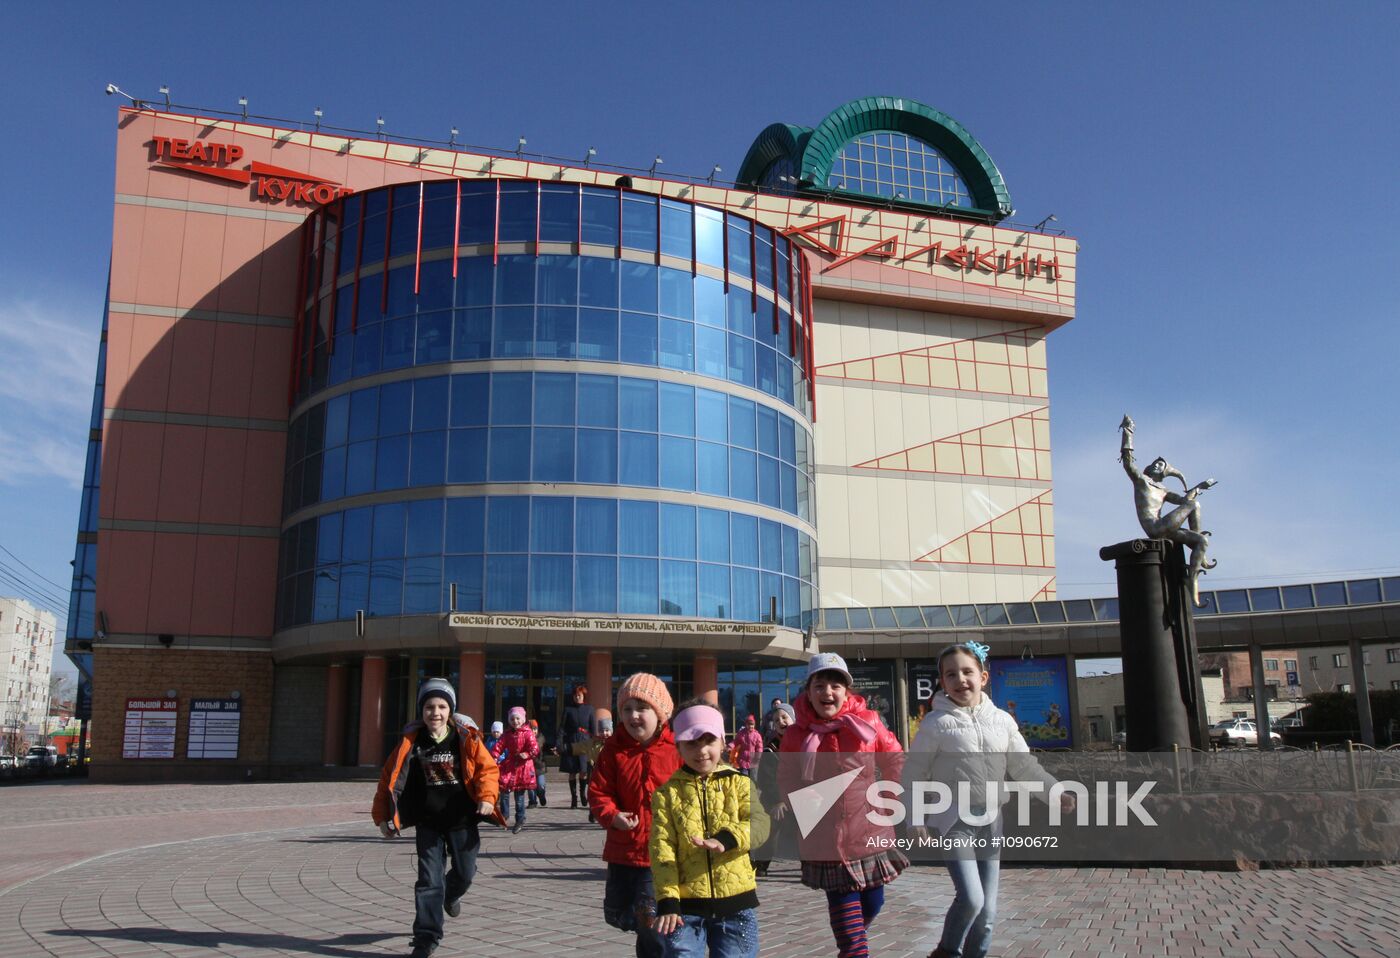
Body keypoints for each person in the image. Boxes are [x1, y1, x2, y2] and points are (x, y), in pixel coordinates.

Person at [910, 642, 1074, 958]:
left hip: (991, 822)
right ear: (942, 682)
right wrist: (916, 818)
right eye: (950, 674)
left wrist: (1054, 792)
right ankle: (946, 952)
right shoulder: (934, 724)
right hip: (952, 822)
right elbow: (916, 771)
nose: (960, 680)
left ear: (983, 677)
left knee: (987, 914)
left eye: (967, 672)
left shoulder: (1003, 720)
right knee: (972, 899)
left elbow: (1024, 766)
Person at [779, 653, 906, 958]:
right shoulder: (796, 734)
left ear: (847, 691)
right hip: (827, 843)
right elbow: (785, 777)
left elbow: (895, 759)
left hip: (870, 834)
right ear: (808, 692)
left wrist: (889, 800)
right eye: (819, 685)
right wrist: (803, 803)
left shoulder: (868, 722)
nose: (828, 692)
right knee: (851, 937)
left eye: (836, 685)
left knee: (875, 904)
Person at [372, 678, 502, 958]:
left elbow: (487, 771)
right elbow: (388, 779)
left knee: (465, 874)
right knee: (429, 880)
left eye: (442, 706)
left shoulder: (466, 738)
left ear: (450, 710)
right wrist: (383, 816)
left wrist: (487, 798)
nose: (436, 712)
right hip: (428, 823)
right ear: (421, 710)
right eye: (429, 706)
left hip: (462, 821)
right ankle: (426, 937)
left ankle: (451, 894)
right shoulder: (411, 743)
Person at [650, 700, 766, 957]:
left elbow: (760, 824)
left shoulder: (740, 783)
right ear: (678, 746)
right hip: (685, 908)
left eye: (709, 740)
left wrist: (728, 838)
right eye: (691, 742)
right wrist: (667, 900)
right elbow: (662, 850)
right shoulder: (667, 794)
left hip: (736, 906)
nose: (701, 750)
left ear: (723, 743)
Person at [588, 673, 679, 958]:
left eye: (642, 708)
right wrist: (611, 815)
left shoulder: (676, 750)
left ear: (661, 713)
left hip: (660, 855)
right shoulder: (613, 750)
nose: (633, 715)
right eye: (627, 709)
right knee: (620, 914)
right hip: (623, 851)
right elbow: (598, 791)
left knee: (652, 924)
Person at [1119, 414, 1217, 605]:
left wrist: (1198, 487)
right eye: (1156, 463)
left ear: (1164, 474)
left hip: (1166, 528)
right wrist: (1128, 432)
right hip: (1155, 527)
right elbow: (1128, 462)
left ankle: (1192, 582)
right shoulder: (1141, 480)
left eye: (1161, 465)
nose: (1157, 464)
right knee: (1194, 505)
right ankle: (1197, 559)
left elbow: (1183, 501)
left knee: (1201, 540)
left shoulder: (1163, 490)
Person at [750, 702, 794, 878]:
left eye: (784, 717)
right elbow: (766, 780)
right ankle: (761, 863)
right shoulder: (771, 748)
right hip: (776, 799)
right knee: (770, 824)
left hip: (800, 797)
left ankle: (811, 864)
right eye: (777, 720)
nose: (781, 721)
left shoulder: (805, 744)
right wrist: (778, 800)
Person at [491, 706, 539, 834]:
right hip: (510, 765)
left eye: (518, 718)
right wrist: (494, 757)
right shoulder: (506, 734)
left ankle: (520, 819)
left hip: (523, 767)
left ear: (523, 719)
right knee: (504, 789)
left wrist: (527, 754)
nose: (515, 721)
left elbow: (535, 748)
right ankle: (504, 815)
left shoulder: (528, 733)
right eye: (512, 719)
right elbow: (498, 746)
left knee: (519, 797)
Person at [558, 684, 595, 808]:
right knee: (572, 771)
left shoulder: (589, 709)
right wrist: (560, 743)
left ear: (583, 696)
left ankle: (582, 794)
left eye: (579, 695)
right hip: (571, 742)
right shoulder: (568, 709)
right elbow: (562, 728)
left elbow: (593, 729)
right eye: (575, 695)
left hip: (585, 742)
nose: (577, 697)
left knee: (583, 771)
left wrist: (595, 743)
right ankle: (574, 798)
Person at [527, 718, 547, 808]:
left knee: (540, 784)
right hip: (530, 766)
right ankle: (532, 801)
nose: (533, 731)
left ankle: (541, 795)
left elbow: (544, 748)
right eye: (531, 729)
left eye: (535, 729)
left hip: (540, 766)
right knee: (531, 785)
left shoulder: (541, 738)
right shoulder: (525, 739)